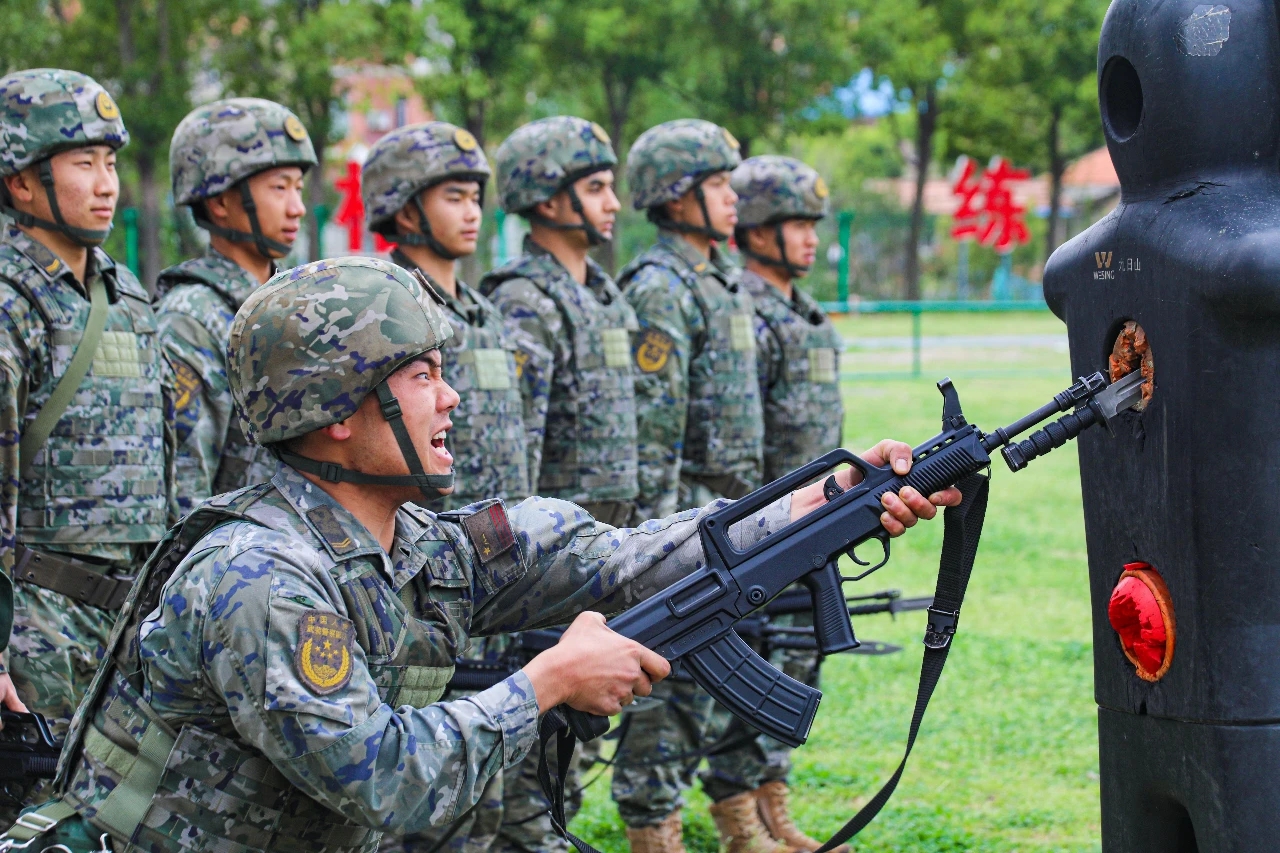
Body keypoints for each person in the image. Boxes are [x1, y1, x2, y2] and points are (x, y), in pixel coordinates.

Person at [0, 256, 958, 853]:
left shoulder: (420, 545)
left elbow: (627, 559)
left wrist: (821, 502)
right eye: (418, 376)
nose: (449, 397)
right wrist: (546, 681)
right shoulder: (258, 579)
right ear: (336, 417)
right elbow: (385, 777)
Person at [0, 69, 172, 819]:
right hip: (35, 625)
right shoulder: (10, 299)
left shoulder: (126, 293)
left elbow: (168, 461)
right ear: (23, 184)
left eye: (110, 161)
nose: (106, 183)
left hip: (128, 623)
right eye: (81, 162)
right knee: (40, 823)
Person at [362, 120, 530, 853]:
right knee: (425, 798)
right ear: (404, 210)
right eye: (452, 196)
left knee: (487, 799)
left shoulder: (486, 317)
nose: (471, 212)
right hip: (418, 577)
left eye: (475, 197)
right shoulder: (380, 305)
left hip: (493, 569)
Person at [610, 119, 766, 853]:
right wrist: (661, 539)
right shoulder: (661, 289)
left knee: (712, 681)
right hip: (684, 522)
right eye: (714, 185)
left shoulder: (720, 281)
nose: (731, 198)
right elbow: (655, 428)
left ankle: (733, 815)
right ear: (674, 196)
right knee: (667, 687)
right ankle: (654, 832)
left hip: (732, 516)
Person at [697, 155, 847, 853]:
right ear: (754, 231)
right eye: (795, 224)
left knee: (796, 655)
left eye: (814, 225)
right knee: (754, 656)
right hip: (762, 526)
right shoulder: (744, 315)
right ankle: (737, 817)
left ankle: (772, 803)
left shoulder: (806, 313)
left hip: (816, 516)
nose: (810, 239)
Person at [155, 97, 317, 518]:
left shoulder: (302, 305)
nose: (296, 207)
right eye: (279, 188)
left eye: (298, 188)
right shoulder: (192, 317)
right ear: (219, 202)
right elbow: (184, 491)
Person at [480, 116, 639, 529]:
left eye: (610, 186)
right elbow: (518, 451)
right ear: (548, 201)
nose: (613, 203)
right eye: (594, 189)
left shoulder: (606, 297)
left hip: (618, 537)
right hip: (559, 546)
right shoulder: (524, 300)